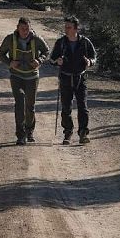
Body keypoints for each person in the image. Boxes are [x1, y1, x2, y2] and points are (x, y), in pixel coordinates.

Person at [0, 17, 51, 145]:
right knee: (19, 103)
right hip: (16, 77)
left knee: (30, 106)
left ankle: (29, 131)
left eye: (27, 29)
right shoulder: (10, 39)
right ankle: (20, 135)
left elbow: (46, 51)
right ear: (17, 28)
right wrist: (10, 63)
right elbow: (0, 53)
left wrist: (39, 60)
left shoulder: (37, 39)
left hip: (32, 77)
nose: (25, 31)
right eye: (23, 29)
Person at [50, 16, 97, 145]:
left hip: (80, 78)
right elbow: (52, 59)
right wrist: (57, 61)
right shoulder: (61, 42)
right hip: (65, 77)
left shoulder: (85, 42)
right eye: (65, 27)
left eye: (69, 27)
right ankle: (67, 133)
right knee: (66, 108)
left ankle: (83, 133)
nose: (66, 29)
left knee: (83, 107)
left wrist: (90, 62)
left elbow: (94, 57)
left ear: (76, 28)